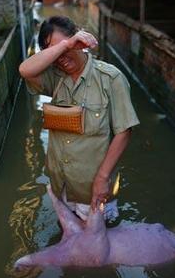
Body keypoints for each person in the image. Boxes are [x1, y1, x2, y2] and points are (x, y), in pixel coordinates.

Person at [19, 16, 139, 220]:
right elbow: (25, 70)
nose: (62, 57)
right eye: (55, 51)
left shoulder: (110, 78)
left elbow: (124, 131)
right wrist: (65, 45)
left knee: (99, 249)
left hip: (92, 188)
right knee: (68, 243)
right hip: (62, 185)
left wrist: (103, 178)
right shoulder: (54, 77)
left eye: (67, 47)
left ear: (78, 38)